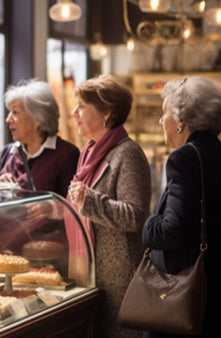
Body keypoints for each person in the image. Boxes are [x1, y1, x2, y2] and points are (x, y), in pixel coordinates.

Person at [142, 76, 221, 338]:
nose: (162, 121)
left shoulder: (183, 159)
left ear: (182, 120)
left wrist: (148, 224)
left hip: (192, 299)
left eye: (165, 113)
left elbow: (171, 230)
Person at [66, 74, 151, 338]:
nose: (73, 112)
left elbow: (135, 215)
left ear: (106, 113)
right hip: (91, 272)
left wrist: (89, 200)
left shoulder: (128, 154)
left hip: (119, 279)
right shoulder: (88, 153)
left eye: (81, 106)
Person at [0, 80, 79, 196]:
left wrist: (50, 208)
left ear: (38, 119)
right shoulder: (8, 153)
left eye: (15, 113)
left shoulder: (67, 154)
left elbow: (74, 206)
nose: (8, 119)